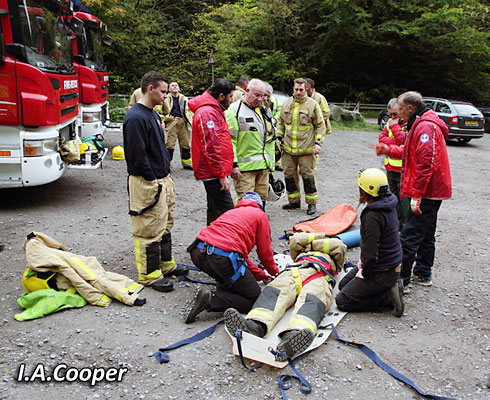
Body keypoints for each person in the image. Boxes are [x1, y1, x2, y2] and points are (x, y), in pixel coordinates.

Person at [224, 232, 347, 360]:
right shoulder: (315, 246)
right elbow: (295, 240)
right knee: (274, 292)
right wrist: (319, 239)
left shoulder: (332, 249)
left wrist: (310, 245)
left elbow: (339, 247)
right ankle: (254, 325)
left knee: (312, 300)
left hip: (320, 274)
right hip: (295, 270)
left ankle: (294, 335)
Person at [373, 91, 451, 291]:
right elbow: (410, 151)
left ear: (410, 108)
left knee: (409, 235)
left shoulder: (425, 126)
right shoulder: (419, 123)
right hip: (431, 190)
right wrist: (388, 150)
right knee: (426, 233)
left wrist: (417, 194)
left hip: (427, 191)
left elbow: (426, 163)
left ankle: (401, 281)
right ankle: (423, 273)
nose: (398, 113)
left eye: (400, 109)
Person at [123, 71, 188, 292]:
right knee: (148, 227)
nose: (166, 96)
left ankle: (166, 265)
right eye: (162, 91)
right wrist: (151, 178)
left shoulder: (152, 113)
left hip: (162, 179)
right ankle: (149, 275)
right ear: (150, 89)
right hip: (147, 182)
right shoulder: (135, 117)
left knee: (165, 223)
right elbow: (137, 156)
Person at [184, 192, 279, 323]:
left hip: (198, 251)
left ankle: (224, 285)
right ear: (259, 205)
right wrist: (275, 272)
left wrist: (261, 275)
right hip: (221, 258)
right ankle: (211, 299)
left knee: (229, 269)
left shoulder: (230, 213)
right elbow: (264, 252)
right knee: (255, 299)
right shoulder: (260, 215)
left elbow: (239, 258)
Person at [335, 168, 404, 317]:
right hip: (387, 265)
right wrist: (362, 263)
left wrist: (366, 272)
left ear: (365, 191)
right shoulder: (388, 203)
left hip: (382, 271)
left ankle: (387, 297)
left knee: (342, 300)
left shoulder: (372, 215)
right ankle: (384, 288)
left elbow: (372, 252)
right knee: (342, 285)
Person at [188, 78, 236, 225]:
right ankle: (226, 244)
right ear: (221, 96)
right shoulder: (208, 113)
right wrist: (221, 175)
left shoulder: (213, 110)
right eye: (230, 97)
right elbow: (211, 147)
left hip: (214, 172)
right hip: (212, 173)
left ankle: (209, 244)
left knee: (215, 212)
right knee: (227, 213)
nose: (232, 101)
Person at [277, 78, 326, 215]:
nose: (298, 92)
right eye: (296, 89)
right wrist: (279, 138)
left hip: (306, 150)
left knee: (308, 177)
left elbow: (321, 126)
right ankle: (294, 201)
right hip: (287, 149)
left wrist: (318, 143)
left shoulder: (312, 105)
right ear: (293, 89)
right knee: (289, 176)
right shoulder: (286, 104)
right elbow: (281, 123)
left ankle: (311, 204)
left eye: (301, 90)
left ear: (306, 89)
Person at [225, 79, 275, 205]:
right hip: (245, 170)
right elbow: (230, 141)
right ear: (247, 91)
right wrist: (233, 165)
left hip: (263, 167)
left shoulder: (263, 110)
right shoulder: (234, 110)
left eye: (262, 95)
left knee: (261, 200)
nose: (259, 99)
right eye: (256, 95)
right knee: (246, 203)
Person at [378, 98, 409, 230]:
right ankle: (397, 222)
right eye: (390, 114)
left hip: (403, 168)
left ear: (402, 110)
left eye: (395, 114)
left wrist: (393, 134)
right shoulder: (390, 123)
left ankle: (406, 225)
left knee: (404, 200)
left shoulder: (409, 123)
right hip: (390, 167)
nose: (392, 117)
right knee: (393, 197)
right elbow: (381, 138)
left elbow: (405, 141)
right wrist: (394, 141)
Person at [161, 82, 193, 170]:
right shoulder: (165, 98)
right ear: (169, 89)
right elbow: (161, 111)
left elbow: (189, 111)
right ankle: (167, 164)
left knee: (185, 144)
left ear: (179, 88)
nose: (175, 87)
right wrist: (167, 119)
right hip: (172, 122)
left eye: (176, 85)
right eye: (172, 85)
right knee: (169, 145)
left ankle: (187, 163)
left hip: (183, 122)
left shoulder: (184, 98)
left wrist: (189, 120)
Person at [263, 82, 283, 172]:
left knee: (276, 146)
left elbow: (279, 111)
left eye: (268, 96)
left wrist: (274, 119)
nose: (266, 98)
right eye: (265, 95)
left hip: (273, 126)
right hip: (265, 127)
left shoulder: (275, 100)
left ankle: (276, 164)